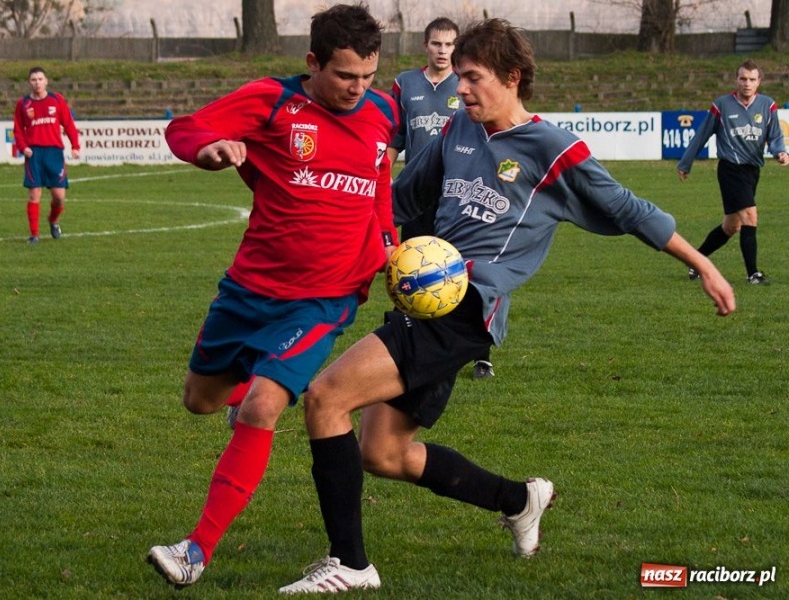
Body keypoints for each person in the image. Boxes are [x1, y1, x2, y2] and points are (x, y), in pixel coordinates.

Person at [280, 18, 736, 594]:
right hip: (420, 300)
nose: (460, 88)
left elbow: (628, 208)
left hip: (466, 308)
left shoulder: (552, 148)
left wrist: (704, 264)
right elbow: (399, 198)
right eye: (459, 78)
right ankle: (519, 500)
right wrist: (324, 214)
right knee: (382, 453)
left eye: (472, 78)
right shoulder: (456, 132)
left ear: (512, 78)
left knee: (325, 399)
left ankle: (349, 564)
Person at [146, 3, 398, 590]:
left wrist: (388, 240)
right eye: (344, 76)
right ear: (313, 62)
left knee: (261, 406)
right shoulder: (273, 101)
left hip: (326, 297)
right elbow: (187, 128)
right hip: (249, 289)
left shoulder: (382, 112)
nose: (358, 90)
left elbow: (380, 178)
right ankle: (262, 383)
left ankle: (195, 550)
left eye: (368, 76)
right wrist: (210, 151)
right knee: (200, 402)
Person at [388, 17, 494, 380]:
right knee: (410, 267)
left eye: (450, 45)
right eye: (437, 44)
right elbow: (395, 139)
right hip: (415, 193)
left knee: (464, 271)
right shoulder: (405, 83)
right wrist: (380, 175)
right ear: (426, 45)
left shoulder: (465, 85)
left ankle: (480, 353)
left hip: (454, 194)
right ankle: (411, 339)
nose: (443, 51)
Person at [677, 59, 789, 285]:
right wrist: (685, 163)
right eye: (743, 79)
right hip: (730, 169)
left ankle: (695, 261)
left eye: (752, 79)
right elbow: (702, 135)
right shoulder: (722, 105)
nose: (747, 83)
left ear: (759, 82)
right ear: (736, 80)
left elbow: (775, 136)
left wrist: (780, 153)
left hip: (752, 170)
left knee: (731, 226)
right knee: (750, 216)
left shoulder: (767, 106)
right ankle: (753, 274)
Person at [13, 66, 81, 244]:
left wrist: (75, 146)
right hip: (34, 154)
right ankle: (34, 235)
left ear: (46, 81)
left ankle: (53, 220)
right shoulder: (23, 104)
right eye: (34, 80)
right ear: (29, 82)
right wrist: (23, 147)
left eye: (40, 79)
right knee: (34, 194)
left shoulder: (56, 99)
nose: (37, 83)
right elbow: (18, 130)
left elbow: (68, 123)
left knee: (59, 197)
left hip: (54, 153)